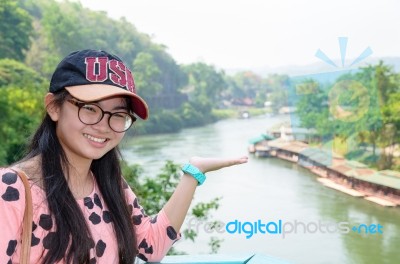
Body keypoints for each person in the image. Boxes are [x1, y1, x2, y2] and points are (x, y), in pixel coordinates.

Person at [0, 49, 248, 263]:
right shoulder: (12, 190)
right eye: (89, 108)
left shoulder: (109, 185)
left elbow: (153, 245)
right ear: (54, 107)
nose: (103, 125)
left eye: (118, 114)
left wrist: (194, 173)